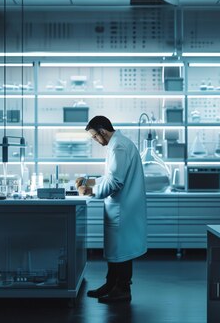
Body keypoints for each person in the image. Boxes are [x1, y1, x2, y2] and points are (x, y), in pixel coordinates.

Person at [75, 116, 147, 304]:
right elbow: (110, 176)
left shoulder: (118, 147)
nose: (95, 141)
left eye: (94, 137)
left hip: (123, 209)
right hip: (120, 207)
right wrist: (88, 182)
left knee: (121, 250)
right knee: (117, 249)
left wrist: (90, 191)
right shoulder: (117, 144)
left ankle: (122, 290)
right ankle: (111, 284)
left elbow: (115, 182)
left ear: (103, 132)